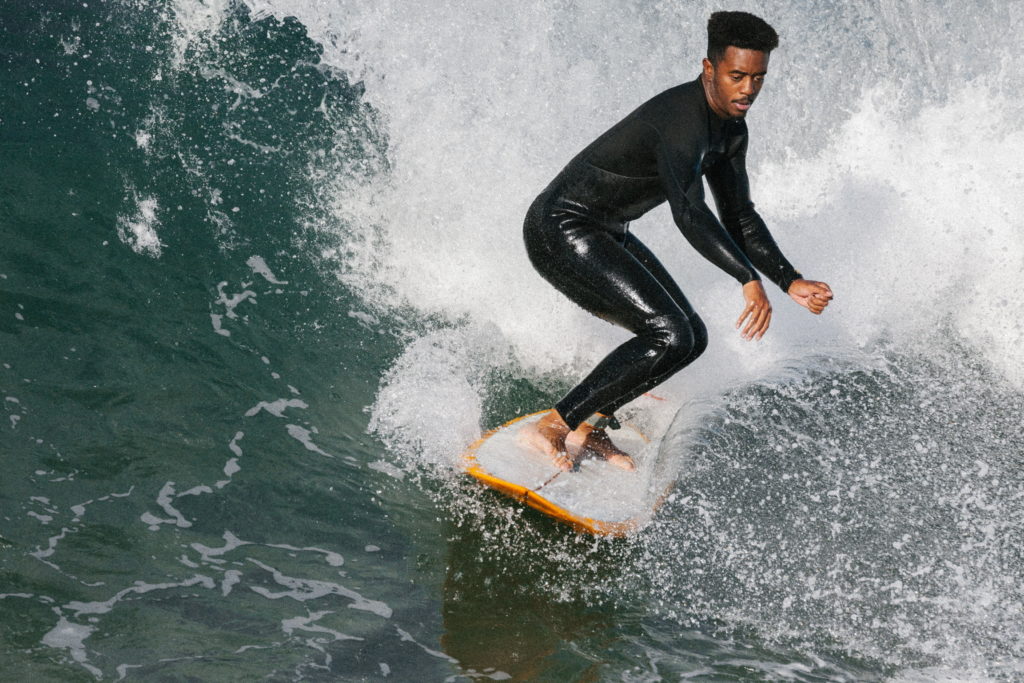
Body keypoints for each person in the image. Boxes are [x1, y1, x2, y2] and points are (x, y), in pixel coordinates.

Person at [521, 11, 833, 471]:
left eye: (758, 78)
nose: (748, 89)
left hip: (605, 230)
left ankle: (591, 426)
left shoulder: (730, 130)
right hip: (561, 229)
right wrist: (746, 279)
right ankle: (553, 426)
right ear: (709, 70)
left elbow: (740, 215)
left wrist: (789, 280)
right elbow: (689, 211)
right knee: (669, 332)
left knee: (690, 339)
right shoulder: (680, 121)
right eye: (737, 76)